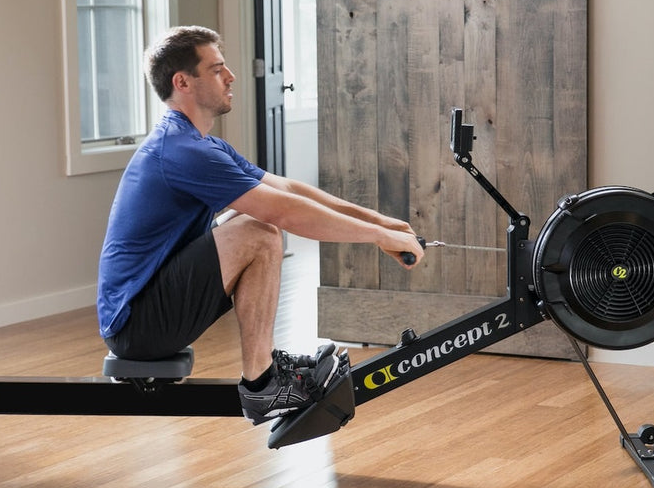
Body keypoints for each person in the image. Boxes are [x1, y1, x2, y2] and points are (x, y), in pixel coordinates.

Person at [98, 25, 424, 424]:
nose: (231, 76)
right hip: (137, 325)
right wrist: (378, 237)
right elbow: (284, 212)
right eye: (216, 69)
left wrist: (379, 220)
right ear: (182, 82)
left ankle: (265, 373)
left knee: (254, 218)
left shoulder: (199, 144)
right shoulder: (181, 150)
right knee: (259, 230)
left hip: (144, 313)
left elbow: (286, 189)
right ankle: (263, 383)